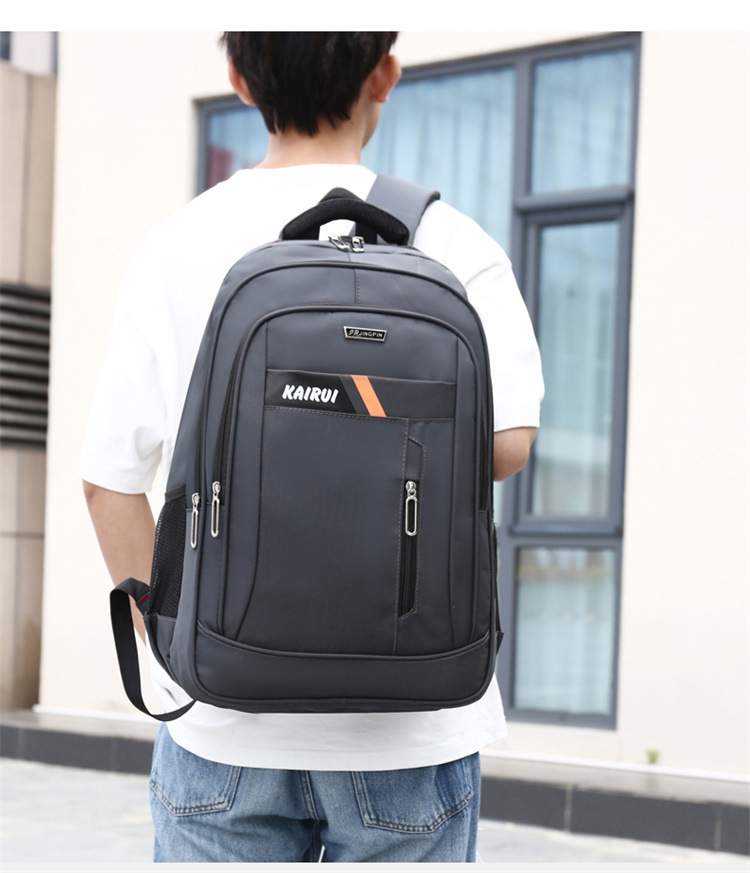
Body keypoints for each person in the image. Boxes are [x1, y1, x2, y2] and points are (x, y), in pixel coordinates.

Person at [81, 32, 544, 864]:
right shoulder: (454, 242)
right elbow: (509, 442)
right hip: (410, 724)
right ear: (385, 75)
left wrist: (175, 640)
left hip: (223, 718)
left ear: (238, 79)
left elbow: (108, 481)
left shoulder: (176, 244)